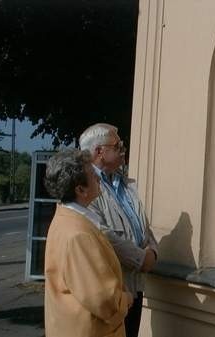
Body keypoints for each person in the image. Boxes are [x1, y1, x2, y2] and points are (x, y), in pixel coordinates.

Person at [79, 123, 159, 337]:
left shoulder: (125, 184)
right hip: (114, 291)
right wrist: (142, 259)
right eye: (117, 145)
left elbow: (143, 226)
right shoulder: (86, 187)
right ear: (99, 152)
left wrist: (153, 250)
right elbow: (104, 235)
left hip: (136, 286)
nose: (123, 149)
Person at [44, 149, 132, 337]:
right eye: (93, 175)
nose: (98, 178)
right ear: (80, 189)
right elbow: (102, 298)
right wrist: (126, 300)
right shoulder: (78, 234)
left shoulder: (66, 218)